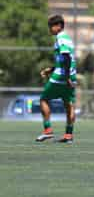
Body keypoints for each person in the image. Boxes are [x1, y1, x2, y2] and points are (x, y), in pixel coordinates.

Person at [36, 15, 77, 143]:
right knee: (69, 105)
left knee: (44, 99)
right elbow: (65, 59)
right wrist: (52, 69)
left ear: (58, 26)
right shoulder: (68, 39)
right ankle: (68, 135)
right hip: (71, 75)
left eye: (51, 26)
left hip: (61, 77)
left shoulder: (61, 38)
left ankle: (47, 130)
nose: (50, 29)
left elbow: (66, 57)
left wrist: (65, 77)